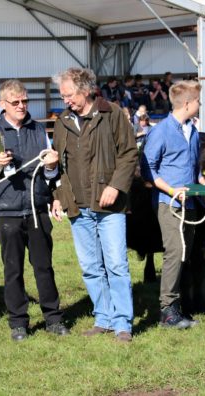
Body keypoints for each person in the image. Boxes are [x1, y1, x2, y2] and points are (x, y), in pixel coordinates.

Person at [0, 79, 67, 342]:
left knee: (44, 266)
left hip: (36, 208)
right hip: (6, 211)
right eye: (15, 102)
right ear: (3, 104)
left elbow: (50, 175)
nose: (21, 106)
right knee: (12, 269)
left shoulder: (37, 130)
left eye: (25, 101)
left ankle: (53, 318)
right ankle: (18, 323)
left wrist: (51, 165)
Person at [51, 67, 138, 343]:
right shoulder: (62, 121)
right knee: (90, 266)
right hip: (78, 205)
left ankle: (123, 323)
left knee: (116, 264)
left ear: (85, 89)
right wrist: (58, 198)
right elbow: (60, 167)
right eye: (63, 96)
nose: (66, 101)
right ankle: (104, 317)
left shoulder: (112, 113)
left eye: (69, 95)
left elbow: (129, 154)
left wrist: (115, 186)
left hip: (109, 204)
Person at [141, 80, 205, 329]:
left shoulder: (194, 132)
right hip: (169, 204)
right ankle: (167, 311)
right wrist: (171, 190)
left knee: (185, 255)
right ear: (187, 103)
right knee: (175, 254)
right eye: (198, 101)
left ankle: (179, 306)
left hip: (190, 205)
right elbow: (148, 170)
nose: (200, 104)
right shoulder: (160, 132)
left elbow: (194, 170)